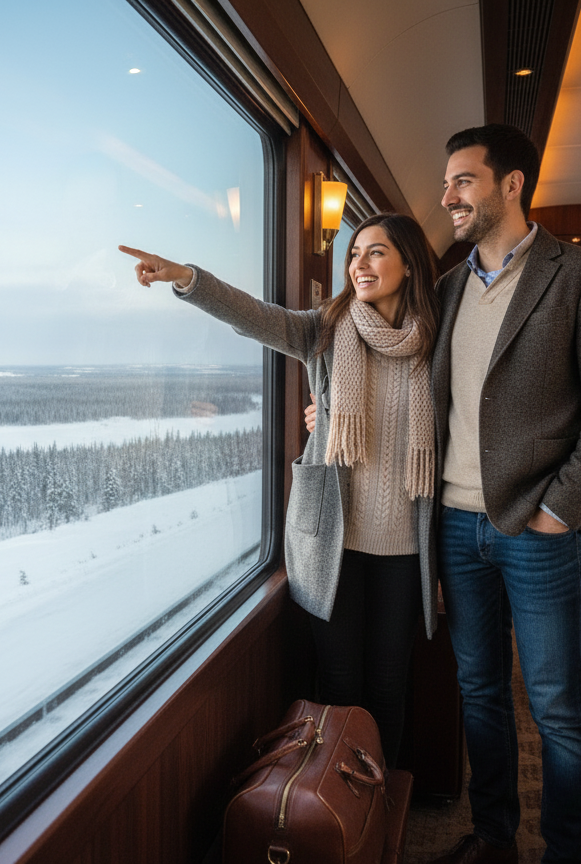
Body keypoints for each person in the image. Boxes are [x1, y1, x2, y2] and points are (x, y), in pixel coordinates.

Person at [119, 212, 440, 764]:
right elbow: (255, 317)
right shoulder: (327, 329)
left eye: (376, 252)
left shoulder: (436, 341)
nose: (360, 264)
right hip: (333, 542)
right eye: (354, 254)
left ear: (409, 264)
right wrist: (187, 278)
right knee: (340, 683)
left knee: (390, 682)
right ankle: (340, 802)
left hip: (405, 547)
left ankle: (377, 798)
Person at [425, 124, 581, 864]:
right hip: (457, 527)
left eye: (463, 181)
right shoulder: (447, 288)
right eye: (446, 182)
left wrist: (559, 511)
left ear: (511, 184)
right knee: (479, 694)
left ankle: (566, 853)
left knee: (557, 709)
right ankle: (494, 837)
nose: (447, 196)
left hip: (540, 531)